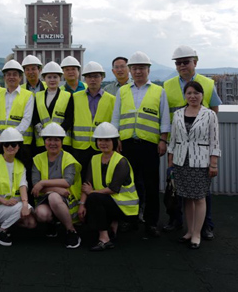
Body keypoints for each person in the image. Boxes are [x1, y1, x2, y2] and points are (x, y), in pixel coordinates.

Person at [163, 45, 222, 239]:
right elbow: (166, 116)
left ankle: (205, 225)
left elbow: (214, 111)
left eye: (185, 62)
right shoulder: (167, 85)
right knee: (178, 189)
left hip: (199, 150)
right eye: (178, 63)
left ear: (195, 62)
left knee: (202, 191)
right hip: (178, 147)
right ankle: (177, 221)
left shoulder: (208, 84)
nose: (182, 66)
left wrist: (213, 159)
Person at [111, 51, 170, 238]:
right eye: (135, 68)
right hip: (127, 144)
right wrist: (116, 138)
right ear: (130, 70)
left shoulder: (159, 91)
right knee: (129, 184)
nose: (138, 72)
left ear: (148, 70)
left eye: (142, 68)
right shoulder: (122, 91)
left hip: (149, 144)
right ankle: (130, 219)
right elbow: (116, 117)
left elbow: (165, 118)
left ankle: (151, 222)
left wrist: (163, 140)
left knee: (152, 185)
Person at [168, 81, 220, 249]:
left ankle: (197, 233)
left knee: (199, 197)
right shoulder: (178, 114)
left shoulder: (209, 114)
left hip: (201, 162)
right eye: (189, 93)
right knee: (186, 198)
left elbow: (214, 141)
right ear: (185, 95)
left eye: (196, 93)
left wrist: (213, 164)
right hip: (181, 160)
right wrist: (170, 161)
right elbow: (173, 139)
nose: (192, 96)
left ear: (202, 95)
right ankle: (189, 231)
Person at [78, 122, 138, 252]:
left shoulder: (121, 161)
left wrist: (92, 192)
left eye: (107, 140)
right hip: (107, 201)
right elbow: (87, 184)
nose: (103, 143)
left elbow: (113, 189)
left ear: (114, 142)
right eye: (100, 140)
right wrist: (81, 204)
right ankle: (111, 227)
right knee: (92, 200)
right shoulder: (94, 159)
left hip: (125, 207)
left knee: (93, 198)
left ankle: (104, 239)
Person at [0, 128, 37, 247]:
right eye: (6, 144)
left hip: (8, 206)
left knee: (31, 223)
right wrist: (5, 202)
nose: (10, 147)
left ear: (19, 146)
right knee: (22, 208)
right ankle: (1, 231)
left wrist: (25, 204)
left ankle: (2, 223)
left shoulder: (20, 165)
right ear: (2, 146)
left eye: (14, 144)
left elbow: (23, 185)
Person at [32, 123, 82, 249]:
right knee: (41, 214)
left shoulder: (68, 158)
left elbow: (67, 182)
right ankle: (52, 222)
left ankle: (71, 231)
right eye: (49, 139)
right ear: (44, 142)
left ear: (62, 142)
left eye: (56, 140)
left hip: (66, 198)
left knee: (54, 197)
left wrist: (43, 183)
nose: (53, 143)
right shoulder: (37, 159)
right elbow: (35, 185)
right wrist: (56, 189)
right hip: (46, 197)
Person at [70, 61, 115, 169]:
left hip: (102, 146)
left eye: (96, 76)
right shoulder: (74, 97)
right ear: (85, 79)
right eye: (89, 77)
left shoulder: (112, 99)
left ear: (102, 78)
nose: (93, 80)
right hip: (79, 147)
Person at [0, 60, 35, 156]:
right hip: (0, 142)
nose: (11, 77)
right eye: (8, 74)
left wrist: (10, 137)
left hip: (21, 142)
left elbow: (26, 119)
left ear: (20, 77)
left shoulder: (28, 95)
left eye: (14, 74)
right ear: (4, 77)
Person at [33, 61, 74, 153]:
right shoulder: (38, 96)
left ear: (60, 78)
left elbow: (69, 118)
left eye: (55, 77)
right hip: (42, 141)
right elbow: (35, 117)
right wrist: (44, 133)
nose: (52, 80)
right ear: (44, 78)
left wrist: (57, 134)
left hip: (62, 141)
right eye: (49, 77)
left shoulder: (67, 96)